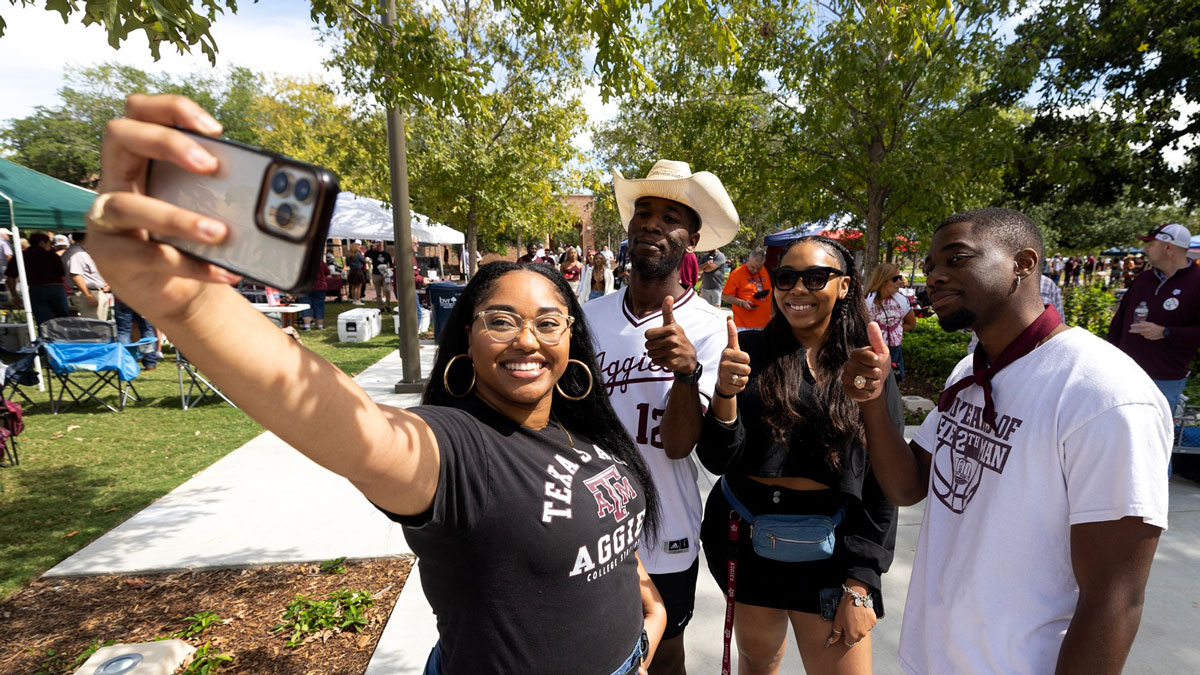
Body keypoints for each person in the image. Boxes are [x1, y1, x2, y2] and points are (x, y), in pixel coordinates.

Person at [83, 94, 668, 674]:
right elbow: (352, 424)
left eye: (547, 323)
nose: (527, 340)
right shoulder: (457, 451)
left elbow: (605, 528)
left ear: (572, 336)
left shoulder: (575, 424)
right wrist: (191, 307)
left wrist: (646, 614)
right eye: (500, 321)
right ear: (464, 338)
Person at [844, 207, 1170, 675]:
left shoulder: (1103, 395)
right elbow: (907, 487)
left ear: (1023, 263)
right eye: (932, 265)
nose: (933, 277)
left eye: (955, 259)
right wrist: (873, 403)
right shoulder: (974, 369)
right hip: (936, 657)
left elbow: (1115, 598)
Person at [696, 236, 899, 675]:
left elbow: (884, 479)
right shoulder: (747, 352)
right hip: (746, 537)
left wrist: (862, 582)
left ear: (844, 286)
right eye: (786, 278)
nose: (798, 289)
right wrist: (725, 394)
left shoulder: (866, 362)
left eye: (815, 277)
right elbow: (717, 459)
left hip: (834, 549)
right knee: (760, 661)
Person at [584, 159, 738, 675]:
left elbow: (679, 446)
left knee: (663, 655)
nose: (651, 222)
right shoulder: (588, 317)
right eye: (643, 211)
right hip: (585, 519)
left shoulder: (713, 329)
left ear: (691, 239)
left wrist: (688, 373)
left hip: (665, 526)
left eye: (670, 216)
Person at [1107, 223, 1200, 416]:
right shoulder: (1144, 279)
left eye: (1151, 244)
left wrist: (1166, 332)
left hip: (1164, 380)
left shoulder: (1196, 282)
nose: (1145, 249)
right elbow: (1119, 321)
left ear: (1168, 247)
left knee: (1152, 441)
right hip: (1123, 374)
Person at [864, 263, 915, 382]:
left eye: (900, 278)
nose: (900, 282)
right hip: (873, 350)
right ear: (883, 280)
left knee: (894, 384)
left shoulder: (902, 300)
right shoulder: (867, 301)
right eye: (895, 279)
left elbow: (911, 324)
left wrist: (895, 331)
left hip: (895, 351)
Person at [5, 232, 69, 324]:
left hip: (36, 289)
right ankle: (64, 337)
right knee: (63, 320)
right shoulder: (52, 256)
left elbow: (11, 277)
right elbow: (62, 273)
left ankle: (45, 337)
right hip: (56, 288)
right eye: (48, 243)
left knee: (43, 321)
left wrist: (14, 295)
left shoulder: (21, 256)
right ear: (42, 242)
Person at [62, 233, 112, 321]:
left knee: (100, 325)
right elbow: (75, 275)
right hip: (87, 293)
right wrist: (88, 295)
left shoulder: (84, 251)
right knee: (93, 326)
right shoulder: (76, 253)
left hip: (96, 292)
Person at [723, 248, 772, 330]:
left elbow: (770, 292)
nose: (755, 270)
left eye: (758, 268)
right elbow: (725, 296)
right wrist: (742, 303)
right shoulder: (737, 273)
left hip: (764, 323)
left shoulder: (764, 271)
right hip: (744, 326)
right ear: (748, 259)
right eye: (752, 267)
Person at [300, 261, 329, 331]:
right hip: (320, 286)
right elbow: (327, 272)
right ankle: (320, 326)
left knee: (305, 305)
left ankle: (307, 326)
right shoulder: (320, 262)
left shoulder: (303, 262)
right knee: (319, 306)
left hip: (305, 286)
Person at [365, 240, 394, 309]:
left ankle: (387, 304)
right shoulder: (373, 253)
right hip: (376, 274)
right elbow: (366, 254)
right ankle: (380, 306)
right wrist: (372, 247)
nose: (379, 246)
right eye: (377, 245)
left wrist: (388, 268)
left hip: (385, 275)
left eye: (380, 245)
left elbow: (391, 264)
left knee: (387, 289)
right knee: (378, 292)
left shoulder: (386, 254)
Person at [347, 241, 367, 305]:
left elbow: (347, 264)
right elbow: (364, 261)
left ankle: (353, 300)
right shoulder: (358, 255)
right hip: (358, 271)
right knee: (359, 287)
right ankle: (358, 300)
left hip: (351, 271)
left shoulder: (348, 255)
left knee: (353, 287)